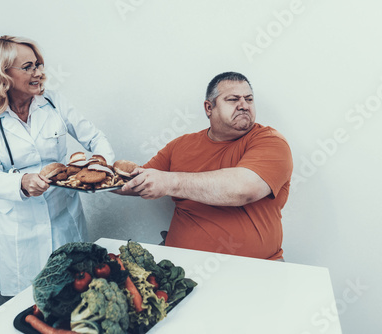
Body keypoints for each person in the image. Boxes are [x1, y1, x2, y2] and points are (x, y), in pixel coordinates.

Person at [0, 35, 115, 296]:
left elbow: (96, 138)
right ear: (3, 74)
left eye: (38, 65)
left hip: (64, 219)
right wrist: (21, 183)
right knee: (30, 304)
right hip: (20, 230)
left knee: (78, 297)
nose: (39, 73)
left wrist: (101, 169)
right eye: (28, 67)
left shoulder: (54, 102)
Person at [120, 72, 293, 260]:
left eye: (249, 99)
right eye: (233, 99)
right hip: (180, 266)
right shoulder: (180, 145)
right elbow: (137, 181)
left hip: (257, 268)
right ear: (209, 107)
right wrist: (93, 174)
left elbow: (243, 189)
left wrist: (169, 181)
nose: (244, 105)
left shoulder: (271, 142)